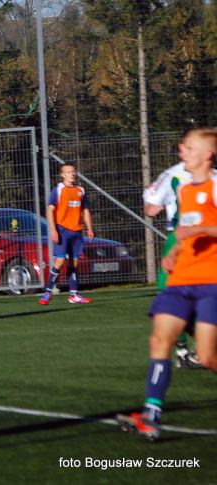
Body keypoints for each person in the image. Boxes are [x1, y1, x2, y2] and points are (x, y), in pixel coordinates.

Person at [117, 127, 217, 441]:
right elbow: (185, 230)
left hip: (211, 282)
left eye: (187, 148)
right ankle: (151, 415)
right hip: (180, 280)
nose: (181, 152)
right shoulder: (185, 190)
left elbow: (198, 228)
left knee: (208, 356)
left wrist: (200, 229)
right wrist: (173, 252)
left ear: (206, 155)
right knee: (160, 341)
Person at [143, 149, 214, 369]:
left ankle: (188, 349)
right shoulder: (175, 177)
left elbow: (151, 209)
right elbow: (151, 208)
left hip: (192, 240)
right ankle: (187, 350)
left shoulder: (173, 174)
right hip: (186, 241)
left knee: (176, 296)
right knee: (177, 297)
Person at [38, 163, 95, 305]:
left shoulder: (80, 190)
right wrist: (53, 229)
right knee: (60, 260)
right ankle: (48, 292)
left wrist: (89, 228)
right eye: (68, 172)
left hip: (77, 232)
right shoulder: (58, 189)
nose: (72, 174)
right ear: (62, 174)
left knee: (74, 263)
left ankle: (74, 295)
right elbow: (50, 210)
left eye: (73, 171)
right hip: (62, 230)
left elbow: (85, 210)